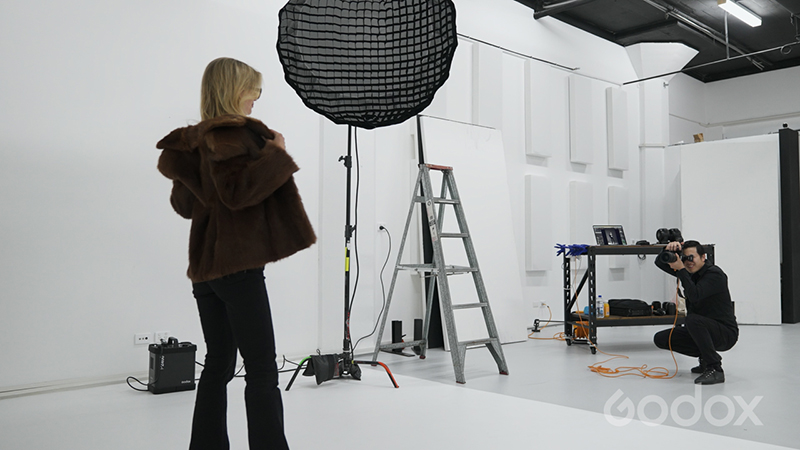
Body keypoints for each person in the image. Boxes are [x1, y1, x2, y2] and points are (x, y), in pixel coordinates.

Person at [156, 57, 316, 449]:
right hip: (238, 268)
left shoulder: (194, 141)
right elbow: (237, 193)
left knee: (218, 364)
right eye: (252, 91)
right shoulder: (231, 138)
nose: (255, 99)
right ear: (234, 91)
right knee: (262, 369)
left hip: (206, 272)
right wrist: (276, 155)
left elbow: (185, 206)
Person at [653, 240, 738, 385]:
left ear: (703, 257)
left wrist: (681, 270)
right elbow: (659, 263)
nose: (688, 262)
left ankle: (715, 368)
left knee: (692, 320)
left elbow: (695, 295)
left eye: (691, 257)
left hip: (725, 333)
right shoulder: (688, 272)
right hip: (701, 329)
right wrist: (667, 250)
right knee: (662, 338)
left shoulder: (715, 275)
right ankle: (705, 358)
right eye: (684, 258)